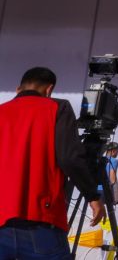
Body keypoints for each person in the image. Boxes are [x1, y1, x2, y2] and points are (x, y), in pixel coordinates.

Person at [0, 66, 102, 260]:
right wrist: (93, 195)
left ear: (17, 89)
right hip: (42, 223)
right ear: (49, 89)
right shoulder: (57, 108)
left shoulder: (1, 111)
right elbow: (69, 158)